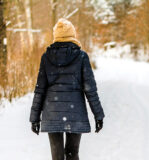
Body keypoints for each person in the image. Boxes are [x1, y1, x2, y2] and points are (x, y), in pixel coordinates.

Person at [29, 18, 105, 160]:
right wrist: (98, 115)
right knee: (72, 153)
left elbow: (40, 89)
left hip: (52, 113)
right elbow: (90, 89)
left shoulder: (46, 57)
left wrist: (34, 118)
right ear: (72, 35)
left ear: (56, 36)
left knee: (57, 157)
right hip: (75, 113)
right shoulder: (81, 57)